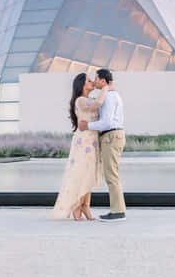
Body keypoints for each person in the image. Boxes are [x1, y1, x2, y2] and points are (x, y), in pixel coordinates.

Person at [51, 73, 108, 220]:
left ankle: (85, 207)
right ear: (82, 85)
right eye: (89, 81)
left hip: (93, 141)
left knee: (90, 175)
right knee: (82, 174)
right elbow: (97, 105)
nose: (91, 83)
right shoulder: (81, 101)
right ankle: (77, 207)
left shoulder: (89, 99)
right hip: (84, 142)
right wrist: (105, 88)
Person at [78, 68, 126, 222]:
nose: (94, 81)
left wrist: (88, 126)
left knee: (111, 175)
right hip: (113, 136)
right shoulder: (110, 94)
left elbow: (106, 122)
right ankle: (118, 210)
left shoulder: (110, 97)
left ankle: (118, 212)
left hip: (111, 136)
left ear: (104, 81)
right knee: (112, 174)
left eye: (96, 79)